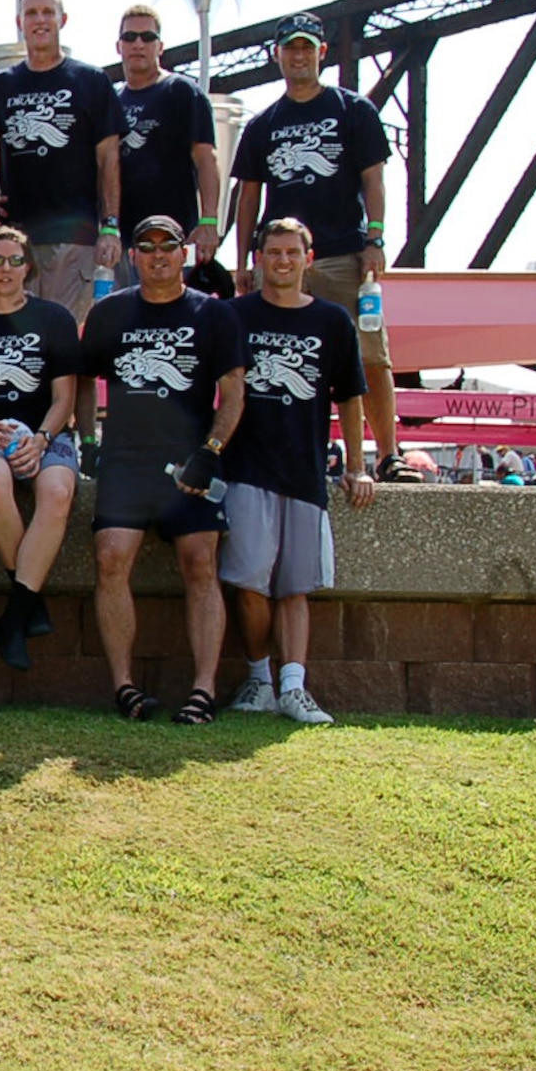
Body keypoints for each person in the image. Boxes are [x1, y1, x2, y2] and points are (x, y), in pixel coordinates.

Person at [232, 11, 415, 483]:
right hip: (281, 264)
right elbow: (249, 194)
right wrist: (243, 262)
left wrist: (376, 236)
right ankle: (278, 454)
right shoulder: (262, 124)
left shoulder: (354, 110)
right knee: (282, 362)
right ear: (277, 55)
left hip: (341, 254)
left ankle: (388, 453)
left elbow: (374, 178)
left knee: (370, 356)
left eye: (306, 47)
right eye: (289, 48)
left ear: (322, 53)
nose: (298, 56)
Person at [82, 214, 244, 725]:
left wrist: (212, 449)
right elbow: (85, 381)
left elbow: (234, 389)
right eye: (146, 246)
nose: (157, 255)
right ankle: (124, 686)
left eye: (168, 246)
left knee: (200, 561)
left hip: (189, 460)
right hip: (126, 460)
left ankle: (203, 690)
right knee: (110, 558)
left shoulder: (214, 315)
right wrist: (87, 440)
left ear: (184, 254)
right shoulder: (109, 313)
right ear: (133, 256)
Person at [223, 218, 373, 725]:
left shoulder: (333, 321)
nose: (282, 261)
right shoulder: (233, 315)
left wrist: (358, 466)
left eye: (292, 252)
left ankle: (294, 687)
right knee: (248, 584)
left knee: (295, 586)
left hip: (306, 471)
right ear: (259, 259)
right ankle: (260, 677)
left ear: (308, 260)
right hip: (244, 467)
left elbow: (351, 397)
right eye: (273, 252)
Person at [0, 0, 121, 463]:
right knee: (20, 347)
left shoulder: (90, 81)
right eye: (30, 13)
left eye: (47, 12)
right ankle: (18, 437)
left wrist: (111, 225)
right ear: (19, 23)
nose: (39, 20)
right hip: (19, 240)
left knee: (67, 345)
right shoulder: (1, 86)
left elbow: (109, 158)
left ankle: (83, 442)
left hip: (75, 238)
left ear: (63, 20)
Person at [0, 224, 82, 671]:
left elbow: (65, 398)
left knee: (59, 492)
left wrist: (42, 438)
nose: (5, 269)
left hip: (47, 434)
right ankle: (29, 606)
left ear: (28, 267)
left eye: (14, 260)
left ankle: (15, 616)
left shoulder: (55, 319)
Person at [114, 4, 220, 264]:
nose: (138, 43)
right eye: (130, 37)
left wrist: (208, 221)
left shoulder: (182, 91)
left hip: (173, 237)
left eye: (147, 37)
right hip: (122, 240)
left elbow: (206, 159)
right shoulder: (111, 98)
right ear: (119, 46)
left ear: (160, 47)